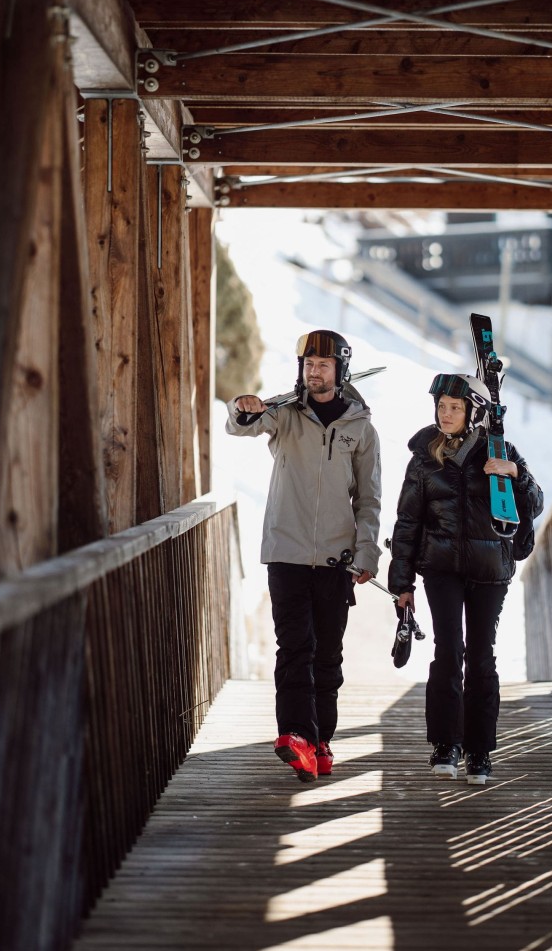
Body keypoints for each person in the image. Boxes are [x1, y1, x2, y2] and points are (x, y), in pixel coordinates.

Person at [227, 329, 381, 782]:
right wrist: (242, 406)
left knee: (327, 656)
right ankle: (296, 735)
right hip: (286, 551)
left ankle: (320, 741)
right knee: (295, 648)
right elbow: (242, 425)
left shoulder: (360, 428)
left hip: (336, 558)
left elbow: (369, 499)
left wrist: (367, 552)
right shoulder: (285, 414)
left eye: (323, 365)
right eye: (309, 364)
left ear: (340, 370)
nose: (314, 372)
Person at [388, 373, 543, 786]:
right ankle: (446, 745)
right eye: (441, 406)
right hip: (441, 569)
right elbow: (407, 521)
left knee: (480, 656)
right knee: (447, 651)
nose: (446, 414)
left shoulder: (500, 450)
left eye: (455, 408)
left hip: (490, 571)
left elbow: (535, 503)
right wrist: (402, 583)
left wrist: (516, 474)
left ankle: (479, 749)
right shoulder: (425, 455)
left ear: (473, 412)